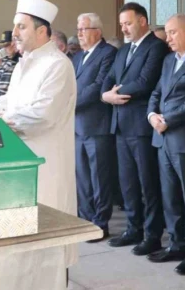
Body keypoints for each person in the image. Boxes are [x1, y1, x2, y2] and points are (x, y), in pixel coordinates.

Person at [0, 0, 77, 267]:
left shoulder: (57, 64)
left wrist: (2, 121)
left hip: (46, 160)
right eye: (15, 26)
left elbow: (43, 114)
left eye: (21, 26)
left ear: (42, 31)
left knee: (47, 236)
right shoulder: (23, 63)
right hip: (19, 155)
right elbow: (7, 100)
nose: (14, 33)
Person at [146, 14, 185, 275]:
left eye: (173, 32)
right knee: (170, 196)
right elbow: (156, 93)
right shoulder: (168, 60)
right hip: (162, 137)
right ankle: (176, 244)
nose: (168, 38)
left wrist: (168, 120)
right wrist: (152, 115)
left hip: (184, 138)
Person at [102, 2, 168, 256]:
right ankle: (133, 228)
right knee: (128, 182)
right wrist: (105, 95)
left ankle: (152, 235)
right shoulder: (123, 50)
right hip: (120, 124)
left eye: (128, 23)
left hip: (141, 126)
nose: (124, 29)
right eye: (121, 24)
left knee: (147, 182)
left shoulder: (156, 47)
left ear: (142, 21)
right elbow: (109, 78)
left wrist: (115, 94)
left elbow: (145, 82)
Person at [73, 13, 117, 242]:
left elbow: (99, 85)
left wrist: (70, 104)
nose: (79, 33)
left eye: (84, 29)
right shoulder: (77, 57)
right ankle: (85, 220)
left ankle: (100, 223)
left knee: (99, 177)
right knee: (82, 178)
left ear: (97, 32)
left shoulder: (108, 53)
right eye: (78, 29)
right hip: (77, 126)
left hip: (97, 125)